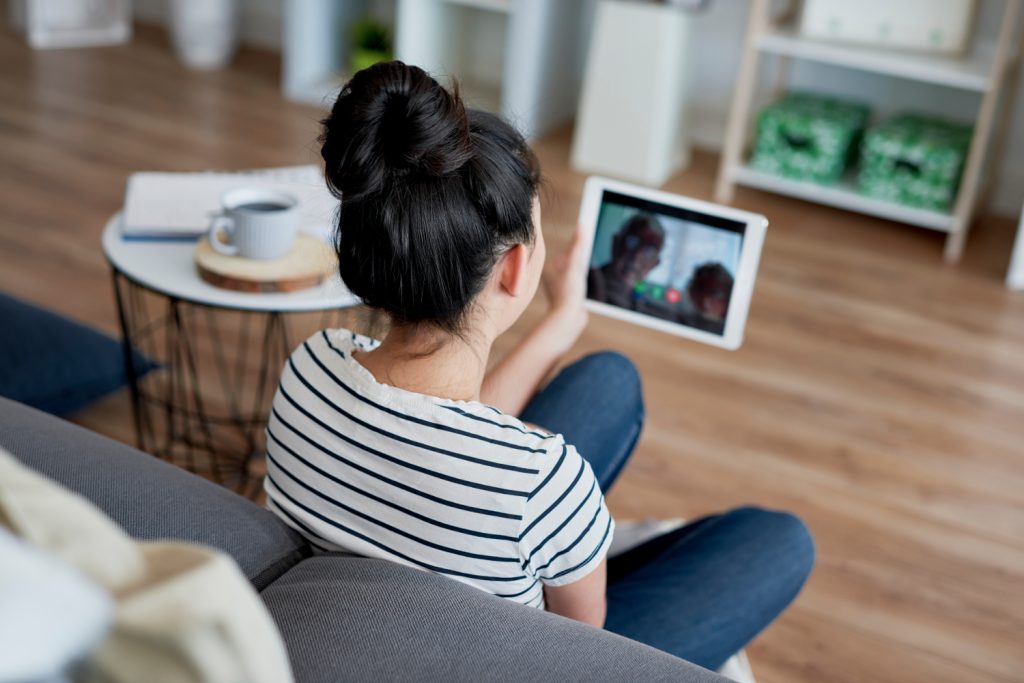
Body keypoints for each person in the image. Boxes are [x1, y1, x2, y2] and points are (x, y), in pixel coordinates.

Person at [263, 61, 814, 672]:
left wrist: (563, 322)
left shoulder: (307, 371)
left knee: (608, 377)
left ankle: (585, 549)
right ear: (515, 267)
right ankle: (592, 551)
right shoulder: (545, 482)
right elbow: (577, 647)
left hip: (368, 619)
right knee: (781, 542)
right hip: (509, 661)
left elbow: (437, 433)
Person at [587, 213, 665, 309]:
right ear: (615, 244)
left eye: (649, 251)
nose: (637, 256)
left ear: (655, 264)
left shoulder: (643, 302)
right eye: (632, 242)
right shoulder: (586, 282)